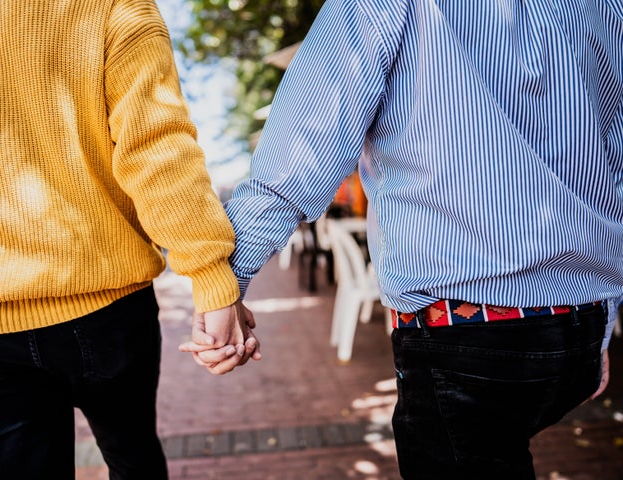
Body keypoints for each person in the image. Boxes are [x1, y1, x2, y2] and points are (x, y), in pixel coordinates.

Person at [181, 0, 623, 478]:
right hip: (583, 325)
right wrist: (603, 319)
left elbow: (303, 145)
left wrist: (225, 285)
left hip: (465, 334)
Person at [0, 0, 259, 478]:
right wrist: (212, 279)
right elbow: (157, 147)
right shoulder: (115, 5)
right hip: (107, 307)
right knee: (134, 460)